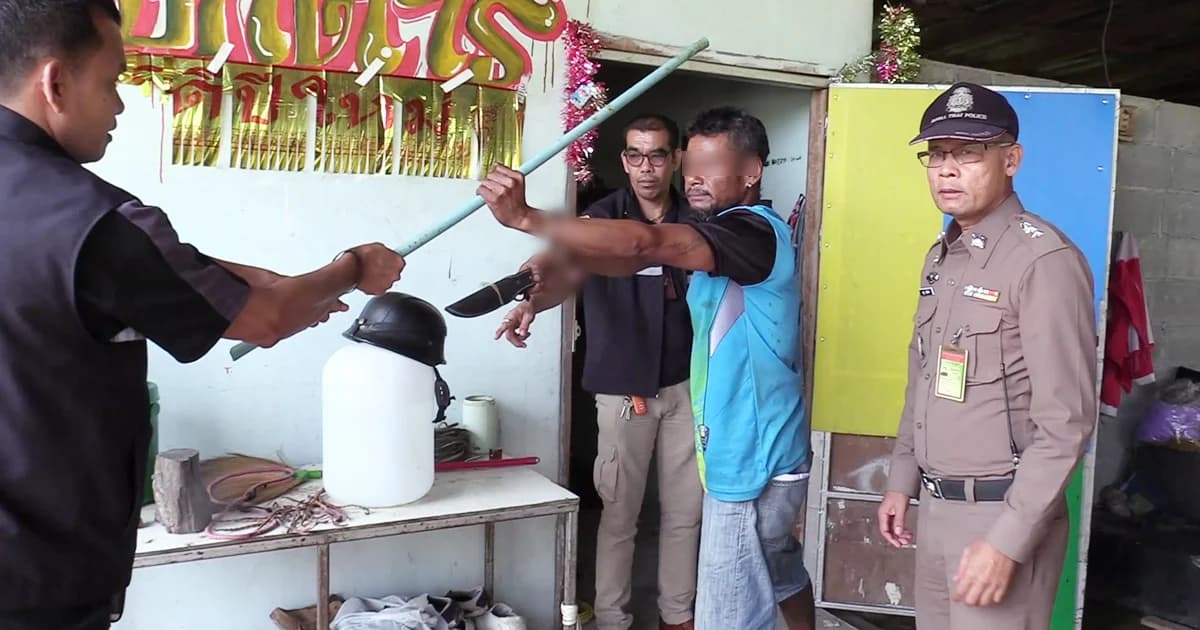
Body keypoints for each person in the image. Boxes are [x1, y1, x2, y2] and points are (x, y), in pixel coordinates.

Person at [0, 2, 405, 628]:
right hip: (36, 577)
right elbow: (264, 317)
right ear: (55, 83)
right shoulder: (93, 223)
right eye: (111, 82)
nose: (120, 106)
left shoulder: (79, 226)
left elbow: (190, 273)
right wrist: (352, 265)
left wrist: (291, 290)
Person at [478, 107, 815, 630]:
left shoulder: (739, 230)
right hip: (712, 423)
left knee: (726, 597)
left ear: (751, 171)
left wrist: (527, 217)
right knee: (767, 564)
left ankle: (680, 617)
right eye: (691, 166)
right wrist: (533, 285)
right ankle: (616, 620)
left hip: (747, 445)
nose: (687, 175)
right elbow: (613, 258)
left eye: (667, 157)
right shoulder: (642, 220)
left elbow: (644, 244)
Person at [876, 82, 1097, 630]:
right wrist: (902, 478)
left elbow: (1066, 423)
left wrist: (1008, 541)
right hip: (937, 508)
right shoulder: (943, 256)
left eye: (969, 153)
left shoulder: (1042, 261)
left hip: (1004, 514)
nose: (947, 170)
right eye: (938, 154)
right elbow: (923, 376)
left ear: (1011, 160)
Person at [495, 114, 701, 630]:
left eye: (657, 154)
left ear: (676, 158)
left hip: (688, 385)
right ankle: (613, 620)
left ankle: (678, 615)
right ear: (623, 161)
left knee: (685, 515)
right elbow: (561, 272)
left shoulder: (696, 222)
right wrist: (530, 305)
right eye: (635, 155)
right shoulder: (600, 220)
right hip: (622, 389)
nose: (646, 166)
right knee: (619, 517)